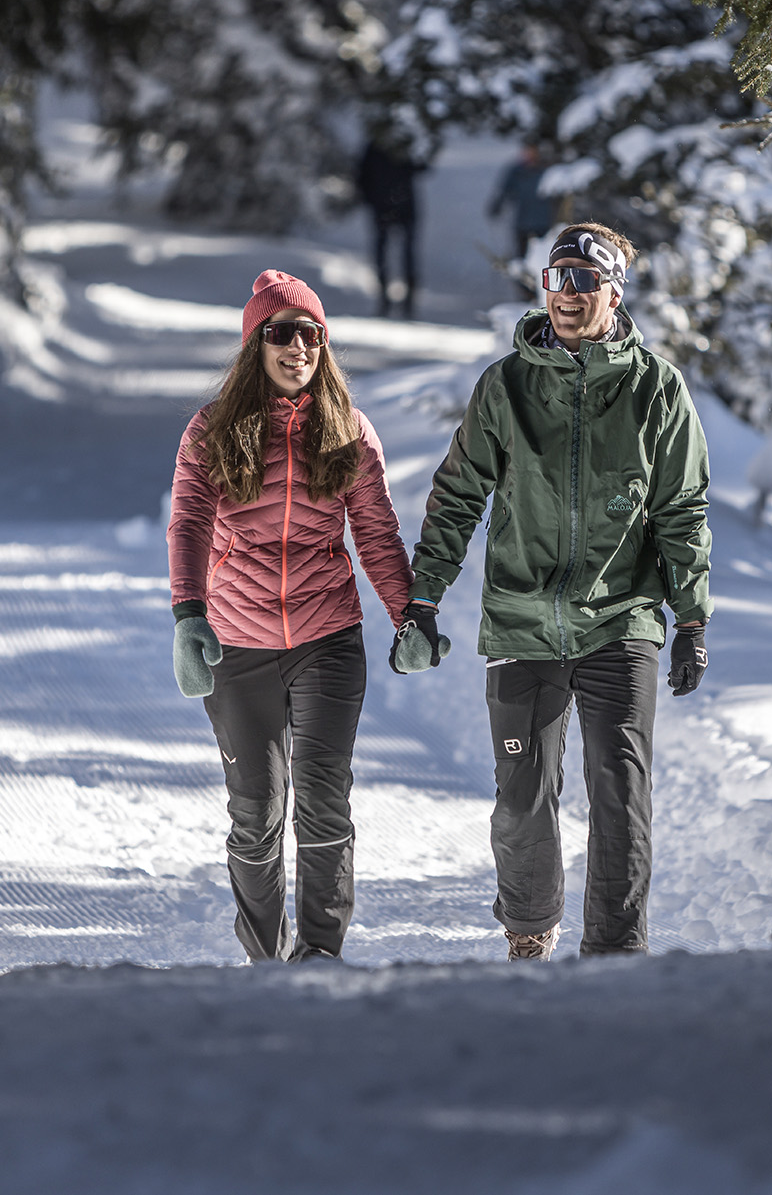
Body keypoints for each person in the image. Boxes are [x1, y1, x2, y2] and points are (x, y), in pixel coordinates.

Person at [394, 223, 713, 963]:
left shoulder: (656, 389)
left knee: (620, 793)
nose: (565, 296)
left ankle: (614, 950)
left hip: (620, 619)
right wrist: (425, 598)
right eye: (554, 279)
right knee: (522, 801)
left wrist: (691, 616)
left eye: (582, 281)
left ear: (613, 292)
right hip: (521, 618)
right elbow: (456, 496)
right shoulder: (506, 387)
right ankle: (530, 931)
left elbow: (681, 509)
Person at [166, 270, 445, 963]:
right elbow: (190, 524)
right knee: (256, 811)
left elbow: (377, 533)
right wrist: (189, 613)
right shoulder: (211, 430)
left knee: (323, 799)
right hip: (239, 642)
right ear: (254, 343)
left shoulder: (346, 429)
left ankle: (320, 951)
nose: (299, 347)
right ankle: (266, 953)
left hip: (327, 637)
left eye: (312, 333)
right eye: (282, 332)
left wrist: (408, 614)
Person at [357, 135, 422, 318]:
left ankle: (405, 300)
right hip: (388, 206)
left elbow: (421, 166)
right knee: (389, 253)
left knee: (401, 253)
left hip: (396, 205)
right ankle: (387, 298)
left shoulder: (400, 143)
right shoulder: (379, 145)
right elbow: (362, 176)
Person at [487, 143, 554, 261]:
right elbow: (505, 190)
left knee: (543, 255)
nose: (529, 155)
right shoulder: (516, 171)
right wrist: (497, 206)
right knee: (522, 255)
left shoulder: (548, 171)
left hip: (544, 223)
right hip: (522, 222)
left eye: (533, 152)